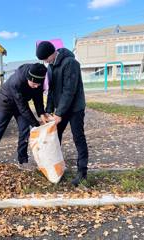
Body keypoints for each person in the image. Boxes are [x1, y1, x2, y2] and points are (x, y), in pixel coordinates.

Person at [36, 41, 89, 187]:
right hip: (62, 109)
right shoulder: (51, 66)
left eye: (46, 58)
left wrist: (59, 113)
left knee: (78, 137)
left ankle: (82, 172)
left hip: (75, 108)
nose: (45, 62)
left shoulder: (70, 63)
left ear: (52, 53)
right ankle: (55, 168)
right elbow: (51, 91)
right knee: (54, 136)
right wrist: (48, 110)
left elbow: (69, 90)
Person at [0, 63, 49, 165]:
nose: (36, 86)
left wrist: (42, 113)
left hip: (21, 102)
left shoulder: (38, 78)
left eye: (38, 84)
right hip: (6, 103)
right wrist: (36, 124)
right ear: (30, 78)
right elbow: (23, 108)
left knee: (24, 131)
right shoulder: (17, 81)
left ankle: (23, 160)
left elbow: (38, 98)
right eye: (34, 84)